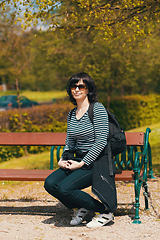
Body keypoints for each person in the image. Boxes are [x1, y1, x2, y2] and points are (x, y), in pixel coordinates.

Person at [44, 72, 117, 228]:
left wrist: (82, 163)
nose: (76, 89)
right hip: (77, 159)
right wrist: (62, 159)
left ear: (88, 89)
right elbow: (70, 141)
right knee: (50, 184)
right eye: (73, 86)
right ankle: (82, 206)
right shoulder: (72, 114)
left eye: (81, 86)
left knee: (64, 188)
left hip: (96, 161)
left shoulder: (97, 109)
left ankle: (105, 211)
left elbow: (101, 141)